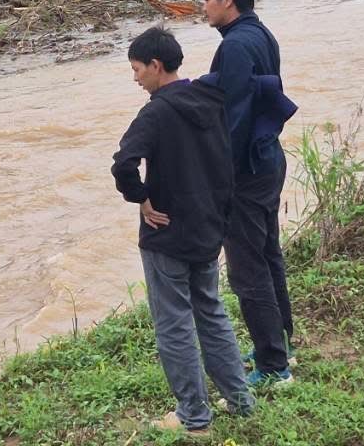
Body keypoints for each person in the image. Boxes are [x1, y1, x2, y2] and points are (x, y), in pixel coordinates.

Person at [111, 26, 254, 435]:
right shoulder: (212, 99)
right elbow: (226, 162)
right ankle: (241, 401)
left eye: (137, 69)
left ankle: (195, 418)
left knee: (174, 324)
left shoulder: (155, 112)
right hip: (207, 228)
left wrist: (140, 197)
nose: (135, 78)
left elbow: (123, 163)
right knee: (211, 311)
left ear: (156, 66)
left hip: (167, 232)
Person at [200, 0, 294, 386]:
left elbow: (234, 120)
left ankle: (273, 366)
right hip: (268, 160)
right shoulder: (261, 34)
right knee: (268, 253)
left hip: (246, 171)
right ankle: (279, 343)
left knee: (246, 268)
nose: (203, 8)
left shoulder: (236, 47)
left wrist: (218, 178)